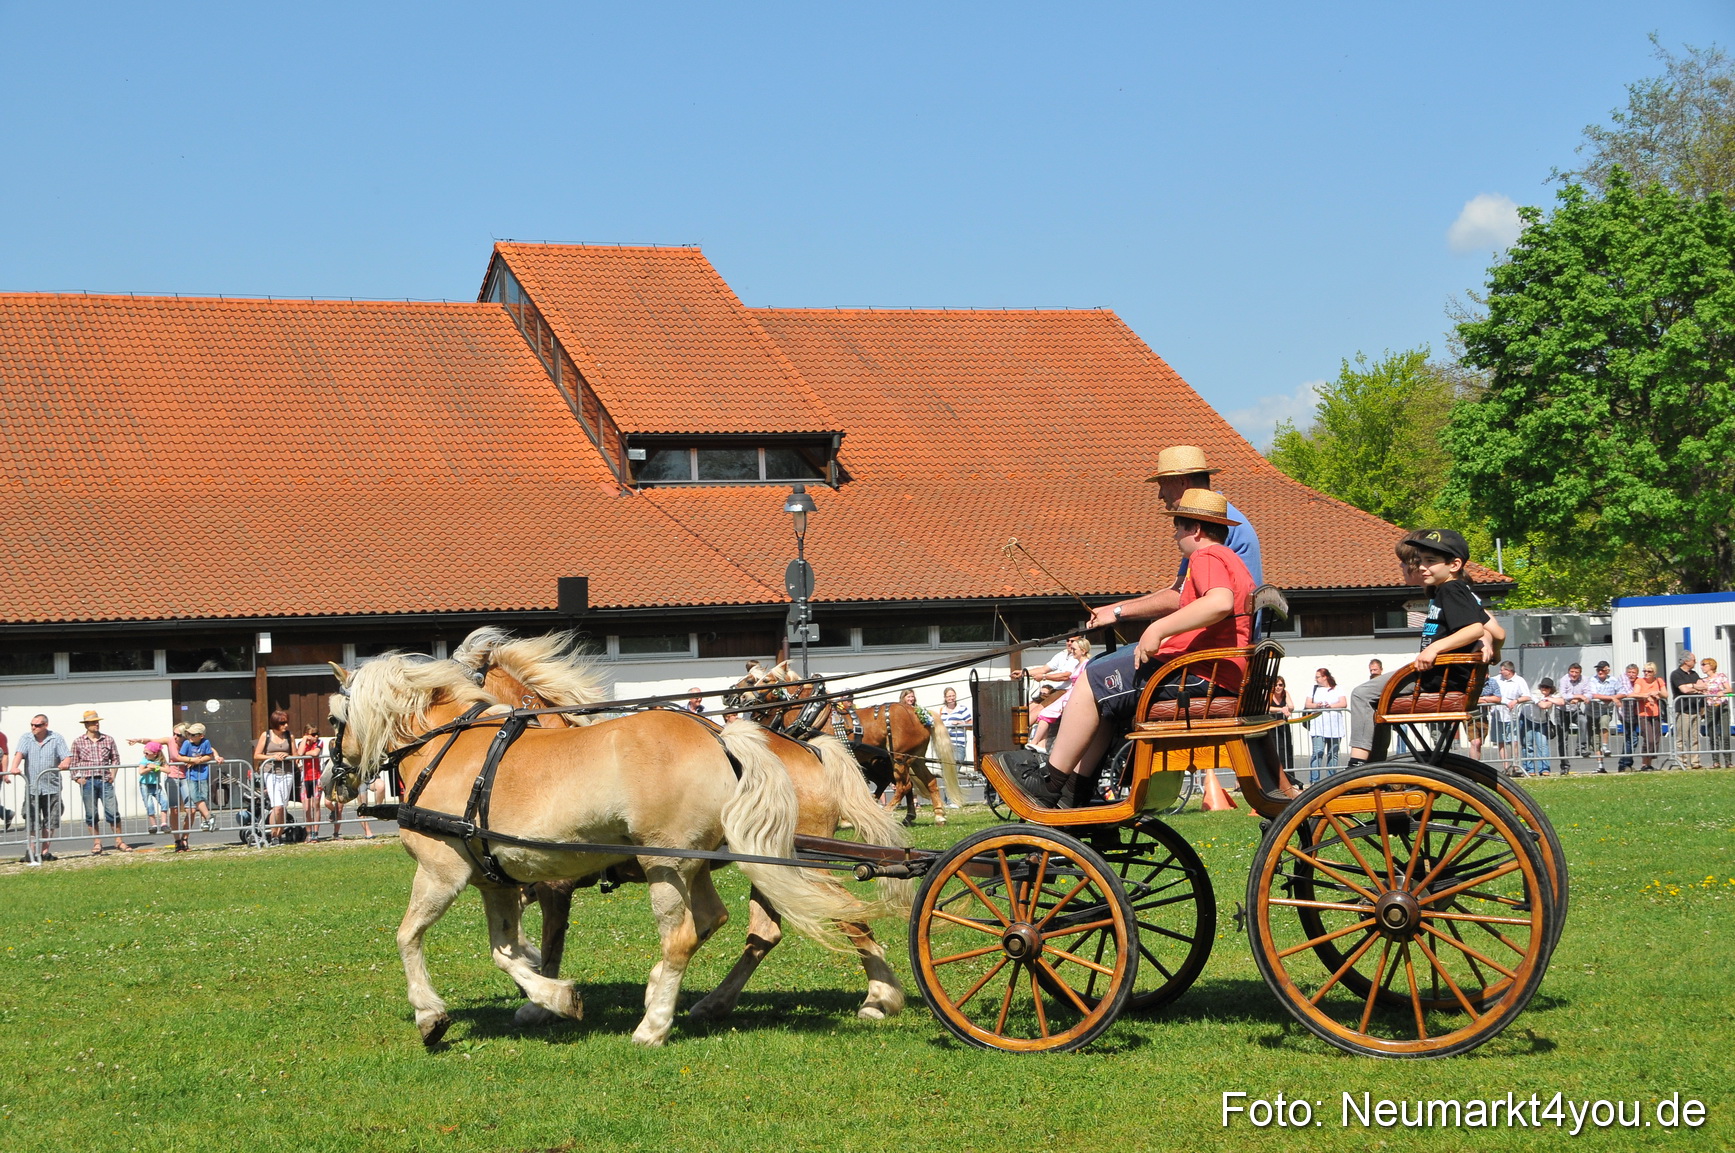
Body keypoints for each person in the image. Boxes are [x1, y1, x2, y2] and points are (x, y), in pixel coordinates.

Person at [1036, 489, 1255, 808]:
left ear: (1196, 529)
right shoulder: (1232, 560)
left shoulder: (1206, 556)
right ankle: (1073, 793)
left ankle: (1049, 784)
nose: (1174, 536)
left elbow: (1219, 603)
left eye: (1178, 527)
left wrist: (1157, 629)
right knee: (1104, 694)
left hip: (1200, 676)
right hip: (1214, 674)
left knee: (1091, 679)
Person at [1344, 529, 1489, 770]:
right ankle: (1372, 766)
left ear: (1454, 565)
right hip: (1437, 674)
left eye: (1430, 561)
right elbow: (1491, 628)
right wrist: (1492, 645)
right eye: (1420, 561)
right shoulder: (1448, 590)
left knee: (1362, 694)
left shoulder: (1451, 590)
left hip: (1436, 677)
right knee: (1375, 699)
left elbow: (1474, 629)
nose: (1422, 567)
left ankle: (1358, 764)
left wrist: (1435, 649)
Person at [1143, 444, 1263, 584]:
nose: (1160, 495)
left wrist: (1124, 605)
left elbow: (1181, 589)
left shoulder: (1212, 521)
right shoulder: (1220, 515)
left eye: (1162, 485)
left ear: (1182, 482)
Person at [8, 715, 70, 864]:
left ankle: (44, 852)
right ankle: (31, 851)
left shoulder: (56, 738)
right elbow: (19, 754)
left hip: (52, 786)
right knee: (31, 820)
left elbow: (66, 756)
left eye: (37, 725)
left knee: (51, 820)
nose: (33, 728)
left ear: (45, 725)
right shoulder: (26, 738)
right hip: (33, 787)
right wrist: (14, 767)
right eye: (32, 725)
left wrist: (65, 763)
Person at [70, 710, 129, 854]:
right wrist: (77, 779)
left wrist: (113, 774)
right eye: (93, 722)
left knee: (112, 811)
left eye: (97, 722)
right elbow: (73, 762)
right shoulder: (78, 741)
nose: (96, 724)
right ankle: (97, 843)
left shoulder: (108, 739)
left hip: (105, 780)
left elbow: (115, 759)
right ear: (86, 725)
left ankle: (119, 841)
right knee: (91, 813)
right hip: (88, 781)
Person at [1028, 636, 1091, 750]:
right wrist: (1025, 673)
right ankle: (1039, 743)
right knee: (1031, 707)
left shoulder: (1085, 664)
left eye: (1074, 648)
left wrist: (1044, 677)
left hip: (1070, 693)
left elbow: (1068, 676)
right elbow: (1044, 669)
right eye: (1068, 641)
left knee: (1044, 711)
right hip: (1063, 691)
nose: (1071, 649)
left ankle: (1034, 741)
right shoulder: (1074, 661)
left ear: (1083, 650)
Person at [1481, 662, 1532, 775]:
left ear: (1509, 671)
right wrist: (1487, 700)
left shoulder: (1519, 681)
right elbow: (1488, 692)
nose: (1500, 672)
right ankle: (1506, 767)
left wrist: (1516, 701)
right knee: (1501, 741)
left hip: (1512, 716)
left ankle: (1515, 766)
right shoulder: (1496, 680)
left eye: (1502, 670)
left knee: (1514, 741)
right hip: (1497, 714)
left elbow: (1527, 696)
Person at [254, 710, 296, 845]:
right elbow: (257, 755)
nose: (286, 725)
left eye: (286, 722)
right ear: (275, 723)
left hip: (287, 772)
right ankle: (274, 835)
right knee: (277, 806)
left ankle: (279, 834)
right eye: (282, 723)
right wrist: (273, 756)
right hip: (270, 772)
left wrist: (287, 756)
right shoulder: (266, 735)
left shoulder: (289, 735)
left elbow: (296, 756)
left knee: (283, 806)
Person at [1306, 669, 1347, 782]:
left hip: (1334, 727)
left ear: (1325, 677)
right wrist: (1317, 705)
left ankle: (1331, 780)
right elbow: (1308, 704)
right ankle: (1315, 781)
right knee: (1317, 752)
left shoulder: (1337, 688)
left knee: (1333, 754)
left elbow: (1343, 703)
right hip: (1318, 726)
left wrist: (1331, 706)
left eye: (1318, 677)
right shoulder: (1314, 689)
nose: (1316, 679)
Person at [179, 722, 220, 831]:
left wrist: (199, 761)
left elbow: (209, 755)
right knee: (194, 796)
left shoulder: (206, 742)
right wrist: (192, 760)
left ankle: (205, 821)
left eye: (193, 735)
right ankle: (209, 816)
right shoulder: (187, 743)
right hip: (191, 775)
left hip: (203, 774)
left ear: (201, 736)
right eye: (189, 734)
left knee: (203, 797)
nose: (190, 737)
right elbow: (181, 757)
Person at [1668, 653, 1705, 769]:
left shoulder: (1694, 674)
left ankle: (1695, 762)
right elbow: (1683, 690)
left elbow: (1704, 687)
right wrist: (1695, 687)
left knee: (1695, 738)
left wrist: (1691, 687)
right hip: (1682, 710)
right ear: (1686, 661)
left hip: (1695, 709)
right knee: (1681, 738)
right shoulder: (1676, 674)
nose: (1695, 662)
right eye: (1694, 660)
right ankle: (1682, 762)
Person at [1586, 661, 1622, 772]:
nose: (1600, 672)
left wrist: (1616, 697)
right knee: (1595, 739)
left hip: (1606, 710)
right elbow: (1593, 695)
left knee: (1604, 722)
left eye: (1602, 669)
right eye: (1598, 670)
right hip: (1592, 712)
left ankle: (1605, 746)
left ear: (1608, 670)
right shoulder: (1592, 680)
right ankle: (1600, 766)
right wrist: (1611, 698)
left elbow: (1623, 692)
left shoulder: (1614, 680)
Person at [1557, 662, 1592, 772]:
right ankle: (1564, 766)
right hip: (1562, 710)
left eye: (1576, 672)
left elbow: (1589, 694)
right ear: (1568, 672)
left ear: (1580, 673)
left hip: (1575, 709)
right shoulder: (1564, 679)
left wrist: (1579, 698)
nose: (1574, 674)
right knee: (1563, 739)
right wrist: (1579, 696)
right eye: (1572, 672)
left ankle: (1581, 748)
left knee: (1583, 721)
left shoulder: (1585, 679)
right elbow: (1563, 695)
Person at [1633, 662, 1668, 770]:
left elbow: (1665, 694)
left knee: (1656, 739)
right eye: (1644, 671)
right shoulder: (1640, 681)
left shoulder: (1659, 680)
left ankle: (1649, 764)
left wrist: (1657, 693)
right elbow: (1634, 694)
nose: (1646, 673)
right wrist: (1646, 695)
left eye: (1649, 671)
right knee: (1649, 739)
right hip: (1643, 713)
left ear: (1654, 672)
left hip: (1655, 713)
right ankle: (1644, 764)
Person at [1699, 657, 1731, 768]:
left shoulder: (1721, 676)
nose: (1702, 667)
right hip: (1710, 707)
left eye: (1704, 664)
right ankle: (1715, 761)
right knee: (1713, 734)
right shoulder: (1703, 681)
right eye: (1701, 665)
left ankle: (1728, 761)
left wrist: (1723, 692)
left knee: (1725, 734)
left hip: (1722, 705)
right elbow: (1700, 691)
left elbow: (1729, 689)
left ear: (1711, 665)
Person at [1524, 679, 1561, 776]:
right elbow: (1543, 705)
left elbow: (1561, 701)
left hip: (1542, 722)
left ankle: (1544, 769)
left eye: (1547, 687)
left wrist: (1549, 699)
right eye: (1542, 686)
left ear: (1551, 689)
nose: (1544, 689)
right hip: (1528, 719)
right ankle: (1529, 770)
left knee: (1543, 745)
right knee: (1528, 745)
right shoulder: (1535, 693)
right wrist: (1550, 700)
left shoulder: (1555, 694)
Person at [1612, 663, 1643, 772]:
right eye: (1629, 672)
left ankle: (1625, 764)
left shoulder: (1639, 681)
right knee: (1632, 738)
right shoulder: (1623, 678)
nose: (1631, 674)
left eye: (1633, 672)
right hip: (1625, 714)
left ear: (1637, 673)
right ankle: (1624, 764)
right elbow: (1627, 693)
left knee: (1631, 739)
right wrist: (1643, 695)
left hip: (1636, 713)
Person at [296, 725, 324, 839]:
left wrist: (304, 754)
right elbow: (299, 753)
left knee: (315, 805)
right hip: (305, 778)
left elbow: (315, 753)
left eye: (317, 734)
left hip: (317, 777)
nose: (316, 736)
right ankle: (308, 832)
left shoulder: (319, 742)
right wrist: (304, 740)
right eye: (313, 734)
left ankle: (315, 833)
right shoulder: (301, 743)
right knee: (306, 807)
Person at [137, 741, 170, 834]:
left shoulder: (160, 760)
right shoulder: (144, 760)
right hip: (145, 785)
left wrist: (156, 767)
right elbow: (141, 771)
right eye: (144, 752)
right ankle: (153, 825)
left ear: (155, 753)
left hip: (156, 785)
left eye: (147, 753)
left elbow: (168, 770)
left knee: (164, 801)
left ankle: (164, 824)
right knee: (149, 804)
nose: (145, 754)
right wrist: (149, 768)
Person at [1269, 675, 1295, 778]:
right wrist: (1281, 709)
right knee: (1274, 750)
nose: (1278, 687)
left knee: (1287, 749)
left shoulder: (1285, 693)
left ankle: (1289, 777)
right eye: (1275, 685)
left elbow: (1291, 706)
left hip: (1283, 725)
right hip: (1271, 726)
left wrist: (1287, 708)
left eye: (1280, 685)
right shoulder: (1268, 694)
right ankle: (1276, 777)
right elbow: (1267, 708)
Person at [939, 686, 972, 762]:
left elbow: (971, 726)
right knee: (946, 768)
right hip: (945, 745)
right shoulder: (942, 710)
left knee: (955, 767)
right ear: (945, 698)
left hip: (958, 745)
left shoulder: (962, 709)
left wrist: (961, 723)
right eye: (949, 696)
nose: (952, 698)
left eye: (953, 696)